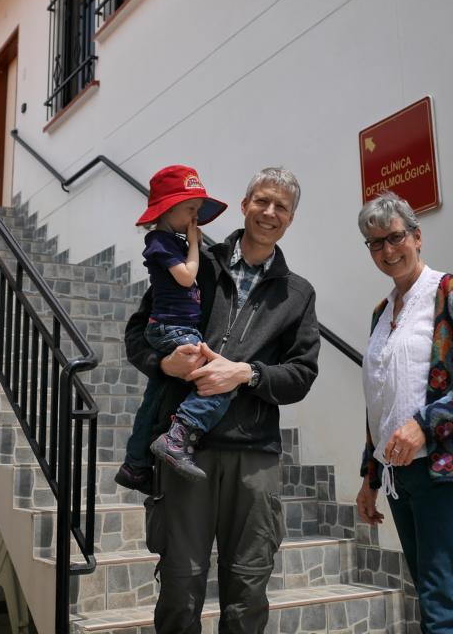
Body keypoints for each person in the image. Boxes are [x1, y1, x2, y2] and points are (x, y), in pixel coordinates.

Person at [125, 167, 319, 634]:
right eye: (262, 201)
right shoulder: (198, 261)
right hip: (185, 449)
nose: (269, 213)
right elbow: (138, 332)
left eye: (281, 207)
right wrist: (163, 364)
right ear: (245, 203)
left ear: (290, 219)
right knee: (179, 583)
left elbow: (301, 374)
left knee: (248, 587)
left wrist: (246, 373)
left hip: (254, 455)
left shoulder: (297, 294)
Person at [354, 191, 453, 634]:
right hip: (398, 476)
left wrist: (424, 426)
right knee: (437, 596)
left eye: (395, 237)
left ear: (417, 237)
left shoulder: (450, 293)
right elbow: (378, 401)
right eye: (376, 243)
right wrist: (369, 478)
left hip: (443, 471)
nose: (387, 250)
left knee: (442, 603)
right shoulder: (381, 313)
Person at [115, 165, 228, 494]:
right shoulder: (161, 243)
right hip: (173, 328)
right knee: (219, 378)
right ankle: (178, 437)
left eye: (197, 211)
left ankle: (135, 465)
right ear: (167, 209)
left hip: (174, 326)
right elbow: (187, 277)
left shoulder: (169, 242)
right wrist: (194, 244)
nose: (196, 218)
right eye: (191, 209)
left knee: (154, 398)